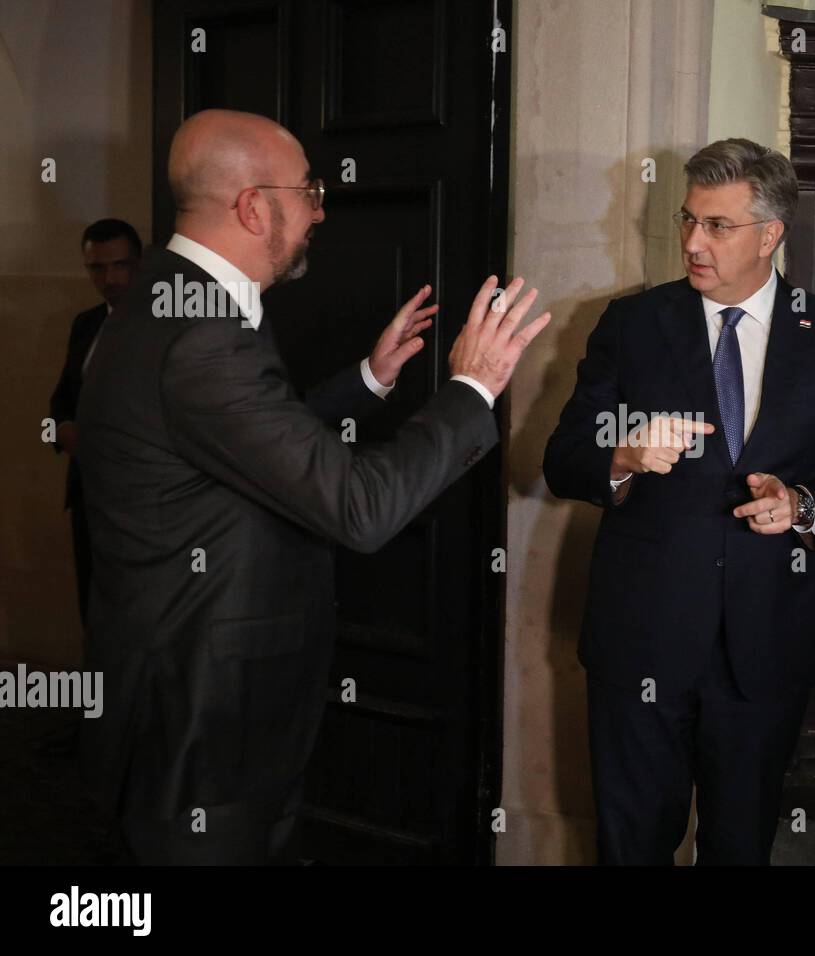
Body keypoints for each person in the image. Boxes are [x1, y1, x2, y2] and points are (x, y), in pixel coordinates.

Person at [76, 109, 549, 864]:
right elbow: (360, 509)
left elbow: (242, 442)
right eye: (310, 191)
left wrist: (369, 379)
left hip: (198, 690)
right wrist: (471, 387)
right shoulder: (200, 335)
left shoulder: (172, 298)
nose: (322, 209)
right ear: (253, 207)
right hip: (203, 711)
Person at [544, 138, 815, 864]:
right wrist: (624, 453)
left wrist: (799, 505)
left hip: (766, 642)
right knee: (632, 843)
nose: (694, 243)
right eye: (688, 220)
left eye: (717, 226)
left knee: (739, 845)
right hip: (641, 637)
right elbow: (561, 461)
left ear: (770, 235)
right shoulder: (630, 325)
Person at [48, 219, 141, 625]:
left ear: (140, 264)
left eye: (121, 266)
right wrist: (63, 432)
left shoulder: (166, 325)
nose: (110, 279)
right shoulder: (85, 324)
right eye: (98, 269)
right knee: (93, 611)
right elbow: (58, 403)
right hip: (89, 494)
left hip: (142, 502)